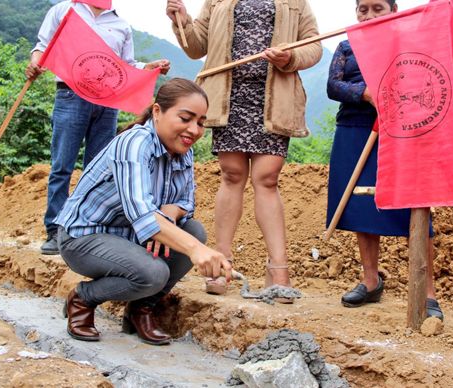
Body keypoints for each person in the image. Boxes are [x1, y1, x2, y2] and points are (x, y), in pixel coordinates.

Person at [55, 78, 232, 344]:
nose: (194, 130)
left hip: (130, 236)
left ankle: (141, 309)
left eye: (201, 122)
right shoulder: (135, 144)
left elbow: (186, 203)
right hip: (84, 237)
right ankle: (83, 298)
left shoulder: (182, 149)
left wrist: (166, 218)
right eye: (186, 118)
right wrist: (195, 250)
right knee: (154, 273)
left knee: (194, 230)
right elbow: (141, 214)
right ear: (158, 112)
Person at [166, 0, 322, 301]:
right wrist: (182, 22)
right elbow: (198, 47)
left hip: (275, 97)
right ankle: (220, 263)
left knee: (267, 178)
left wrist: (289, 57)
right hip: (228, 95)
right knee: (231, 175)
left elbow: (313, 46)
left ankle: (278, 269)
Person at [326, 0, 443, 320]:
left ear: (395, 10)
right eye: (363, 9)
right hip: (354, 129)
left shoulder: (411, 43)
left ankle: (427, 292)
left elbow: (426, 79)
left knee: (414, 208)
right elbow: (333, 85)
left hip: (403, 132)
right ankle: (370, 279)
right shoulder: (346, 45)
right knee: (361, 205)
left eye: (378, 8)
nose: (369, 15)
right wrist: (367, 93)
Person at [26, 0, 171, 255]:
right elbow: (43, 46)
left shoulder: (121, 25)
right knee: (62, 166)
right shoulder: (64, 11)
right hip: (70, 95)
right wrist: (36, 63)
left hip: (107, 101)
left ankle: (85, 228)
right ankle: (54, 230)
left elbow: (125, 65)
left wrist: (147, 68)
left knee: (99, 167)